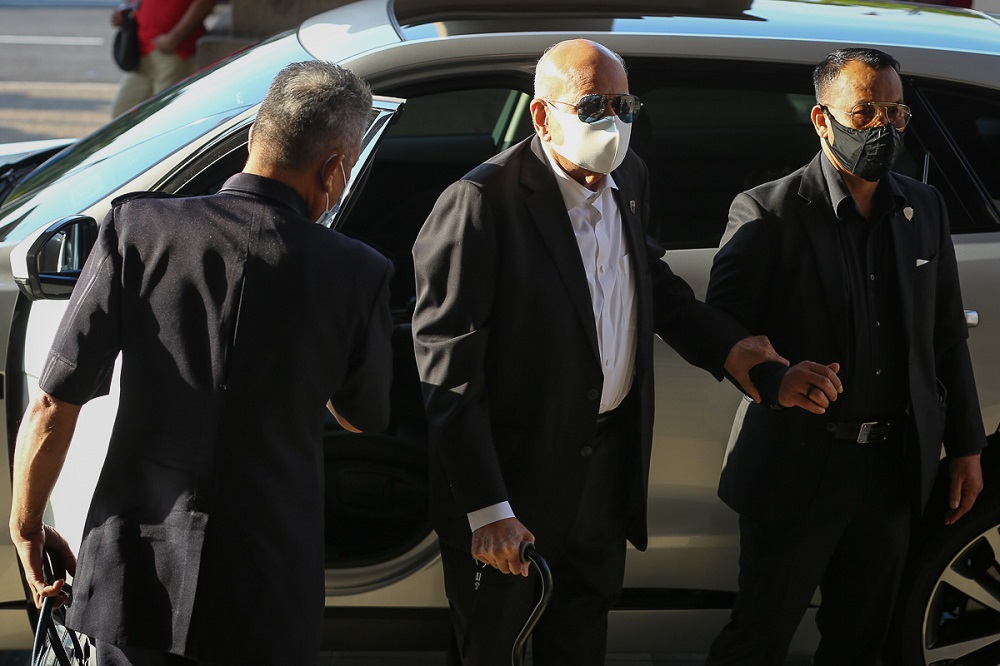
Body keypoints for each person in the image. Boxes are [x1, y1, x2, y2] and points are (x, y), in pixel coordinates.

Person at [411, 39, 792, 665]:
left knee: (581, 636)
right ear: (542, 116)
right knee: (494, 647)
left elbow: (652, 283)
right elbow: (448, 371)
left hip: (603, 468)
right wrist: (488, 508)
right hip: (515, 477)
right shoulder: (481, 204)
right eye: (591, 106)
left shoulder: (630, 177)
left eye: (623, 104)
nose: (612, 122)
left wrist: (728, 349)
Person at [9, 61, 393, 665]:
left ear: (254, 138)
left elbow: (55, 400)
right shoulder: (359, 270)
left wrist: (26, 525)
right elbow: (360, 415)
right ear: (336, 169)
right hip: (267, 587)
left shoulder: (137, 230)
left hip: (132, 575)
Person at [704, 47, 986, 665]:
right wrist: (776, 376)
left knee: (861, 644)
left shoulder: (923, 208)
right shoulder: (769, 212)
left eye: (895, 113)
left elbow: (944, 335)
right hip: (798, 467)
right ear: (820, 119)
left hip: (890, 468)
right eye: (865, 113)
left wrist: (966, 446)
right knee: (759, 637)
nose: (882, 128)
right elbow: (719, 327)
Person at [110, 0, 217, 118]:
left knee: (167, 117)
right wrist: (125, 12)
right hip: (142, 51)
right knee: (122, 116)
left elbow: (205, 2)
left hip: (175, 52)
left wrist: (174, 38)